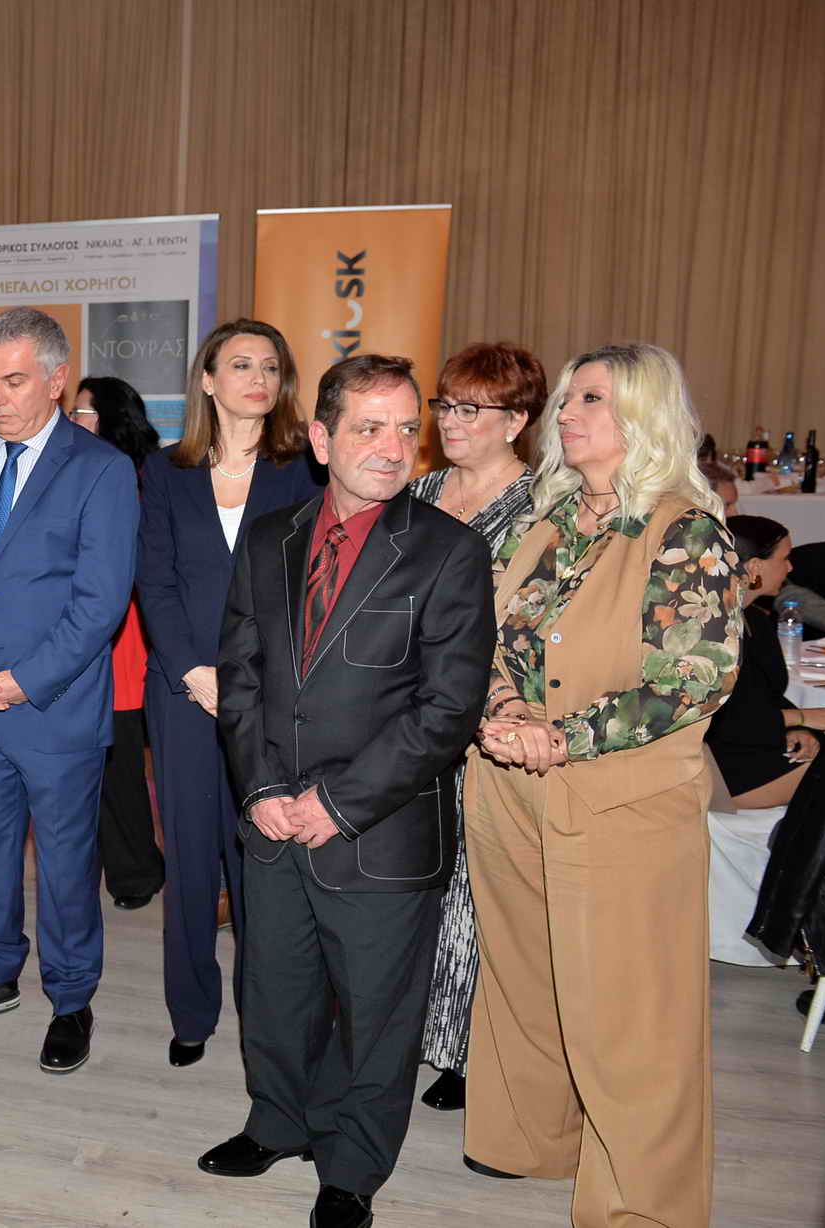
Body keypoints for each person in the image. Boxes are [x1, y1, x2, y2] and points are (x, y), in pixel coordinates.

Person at [203, 354, 492, 1228]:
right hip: (272, 820)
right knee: (274, 991)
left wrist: (336, 804)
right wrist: (260, 789)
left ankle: (353, 1168)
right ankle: (277, 1122)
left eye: (407, 429)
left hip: (381, 831)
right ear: (322, 439)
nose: (393, 448)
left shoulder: (449, 551)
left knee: (377, 1015)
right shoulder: (270, 537)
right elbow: (241, 674)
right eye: (370, 428)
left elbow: (447, 711)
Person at [465, 343, 740, 1227]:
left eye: (592, 398)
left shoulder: (684, 531)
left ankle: (643, 1206)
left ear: (643, 417)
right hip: (509, 783)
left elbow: (693, 678)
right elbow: (491, 634)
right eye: (570, 398)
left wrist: (563, 736)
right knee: (525, 974)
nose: (568, 412)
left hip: (621, 796)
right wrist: (505, 704)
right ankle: (533, 1139)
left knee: (631, 1012)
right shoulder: (549, 518)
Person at [0, 307, 139, 1075]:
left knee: (68, 865)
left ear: (56, 380)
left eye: (14, 382)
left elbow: (100, 603)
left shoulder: (101, 470)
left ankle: (72, 998)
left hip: (53, 708)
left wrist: (24, 681)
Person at [136, 319, 321, 1068]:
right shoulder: (164, 470)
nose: (258, 378)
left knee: (261, 863)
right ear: (208, 381)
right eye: (241, 365)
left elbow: (312, 591)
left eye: (270, 367)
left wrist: (248, 679)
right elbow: (154, 579)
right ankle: (191, 1010)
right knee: (188, 860)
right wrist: (192, 669)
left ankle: (263, 1016)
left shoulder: (304, 472)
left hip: (272, 698)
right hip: (182, 693)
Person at [406, 341, 545, 1114]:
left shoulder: (543, 508)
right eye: (446, 405)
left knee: (475, 889)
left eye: (471, 409)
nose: (451, 421)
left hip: (491, 713)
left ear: (517, 420)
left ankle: (467, 1049)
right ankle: (405, 1027)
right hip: (403, 709)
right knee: (413, 879)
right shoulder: (417, 489)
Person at [70, 376, 165, 911]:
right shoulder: (84, 470)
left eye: (82, 412)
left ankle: (136, 873)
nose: (73, 420)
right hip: (88, 638)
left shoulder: (135, 476)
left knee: (120, 767)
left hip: (123, 641)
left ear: (108, 418)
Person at [706, 515, 822, 807]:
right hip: (724, 768)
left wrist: (797, 728)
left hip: (759, 747)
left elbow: (766, 697)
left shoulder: (755, 619)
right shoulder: (711, 630)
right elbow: (727, 723)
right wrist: (804, 717)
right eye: (784, 559)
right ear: (755, 567)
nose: (791, 568)